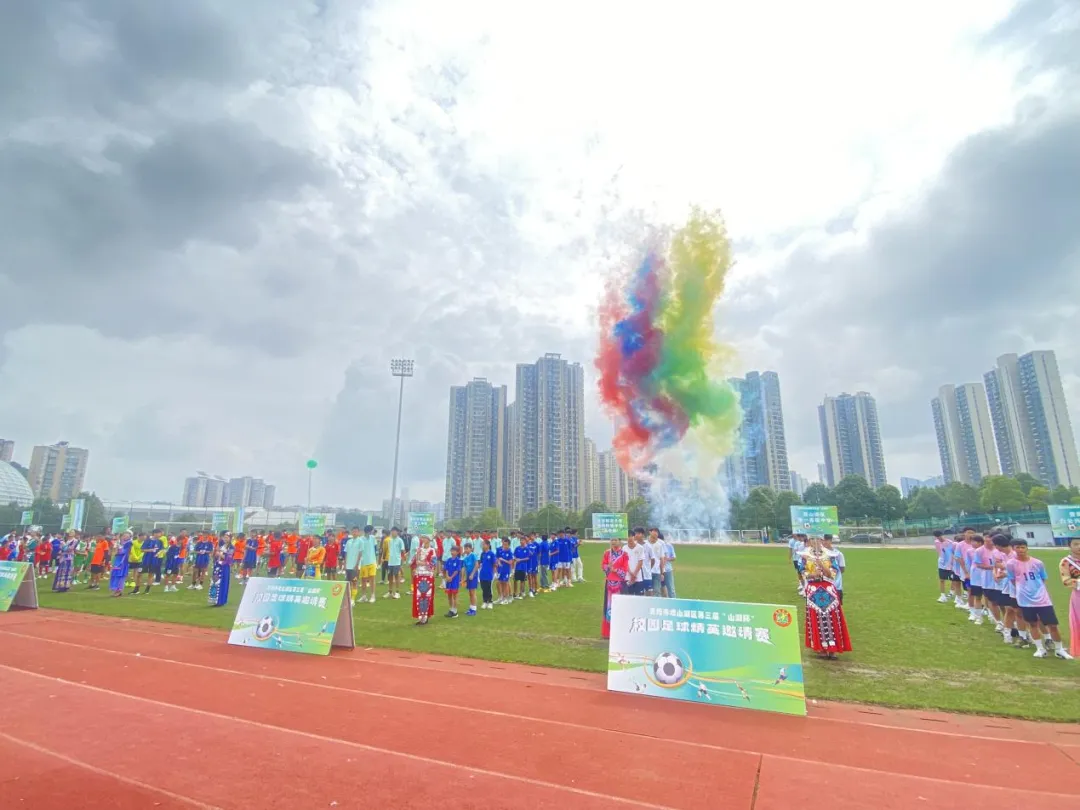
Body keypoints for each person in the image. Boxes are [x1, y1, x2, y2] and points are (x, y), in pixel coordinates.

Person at [1006, 538, 1072, 659]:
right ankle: (1040, 649)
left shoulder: (1037, 563)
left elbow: (1043, 578)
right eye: (1017, 548)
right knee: (1033, 624)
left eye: (1023, 547)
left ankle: (1059, 649)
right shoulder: (1011, 564)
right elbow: (1013, 580)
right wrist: (1024, 590)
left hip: (1042, 599)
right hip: (1025, 600)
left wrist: (1037, 590)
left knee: (1052, 625)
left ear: (1027, 548)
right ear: (1013, 549)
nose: (1020, 550)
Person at [800, 538, 852, 659]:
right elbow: (803, 573)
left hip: (828, 589)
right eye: (813, 539)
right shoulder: (804, 556)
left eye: (818, 539)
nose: (816, 541)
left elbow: (833, 574)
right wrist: (813, 574)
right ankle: (821, 648)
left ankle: (833, 649)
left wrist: (822, 566)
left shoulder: (831, 555)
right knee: (816, 619)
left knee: (831, 619)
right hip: (813, 589)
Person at [601, 537, 629, 639]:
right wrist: (608, 567)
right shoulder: (607, 553)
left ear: (619, 541)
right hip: (609, 582)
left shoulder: (624, 554)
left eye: (615, 540)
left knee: (619, 606)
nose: (613, 542)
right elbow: (603, 565)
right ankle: (608, 632)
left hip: (619, 583)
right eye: (612, 540)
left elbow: (625, 569)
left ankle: (619, 630)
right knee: (608, 605)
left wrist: (616, 570)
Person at [1060, 537, 1080, 658]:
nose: (1078, 546)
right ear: (1070, 546)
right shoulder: (1066, 562)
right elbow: (1066, 581)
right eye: (1076, 544)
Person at [411, 535, 437, 625]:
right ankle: (421, 616)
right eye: (422, 538)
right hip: (419, 574)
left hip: (427, 575)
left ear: (429, 539)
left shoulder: (432, 550)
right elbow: (413, 561)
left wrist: (422, 563)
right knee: (419, 596)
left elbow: (433, 563)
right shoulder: (419, 550)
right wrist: (414, 565)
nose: (422, 539)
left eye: (424, 538)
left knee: (426, 595)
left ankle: (425, 617)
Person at [821, 534, 846, 604]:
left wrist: (832, 572)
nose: (824, 542)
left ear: (831, 540)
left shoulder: (838, 554)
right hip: (823, 586)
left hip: (836, 586)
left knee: (837, 608)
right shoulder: (819, 554)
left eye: (826, 540)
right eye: (822, 540)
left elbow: (842, 569)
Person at [207, 540, 232, 607]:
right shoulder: (221, 546)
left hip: (224, 567)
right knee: (215, 582)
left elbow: (229, 559)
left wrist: (220, 554)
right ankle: (214, 599)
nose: (225, 538)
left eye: (227, 537)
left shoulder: (231, 547)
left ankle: (221, 600)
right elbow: (215, 556)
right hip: (217, 566)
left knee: (222, 582)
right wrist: (216, 554)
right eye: (224, 537)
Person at [109, 532, 134, 597]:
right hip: (117, 560)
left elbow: (129, 552)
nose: (125, 537)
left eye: (127, 536)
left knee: (121, 575)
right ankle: (115, 589)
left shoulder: (129, 544)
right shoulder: (118, 543)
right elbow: (114, 551)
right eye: (124, 536)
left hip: (123, 561)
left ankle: (119, 590)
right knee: (115, 575)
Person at [934, 530, 955, 603]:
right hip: (941, 564)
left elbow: (952, 552)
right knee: (942, 579)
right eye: (938, 537)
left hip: (950, 563)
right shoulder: (936, 542)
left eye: (940, 536)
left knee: (954, 579)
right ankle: (942, 595)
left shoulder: (950, 542)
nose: (940, 538)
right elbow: (940, 552)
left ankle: (952, 592)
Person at [443, 544, 463, 618]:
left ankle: (455, 611)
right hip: (449, 580)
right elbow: (446, 569)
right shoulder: (449, 560)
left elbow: (457, 571)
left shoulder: (459, 561)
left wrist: (451, 577)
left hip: (454, 580)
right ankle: (451, 609)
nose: (452, 552)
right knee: (449, 595)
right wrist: (447, 576)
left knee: (455, 595)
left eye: (454, 551)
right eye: (451, 550)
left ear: (457, 552)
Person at [384, 528, 405, 599]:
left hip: (397, 561)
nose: (392, 533)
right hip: (390, 562)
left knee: (396, 577)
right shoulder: (390, 540)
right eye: (392, 532)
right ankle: (390, 592)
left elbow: (402, 550)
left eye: (394, 532)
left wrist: (403, 559)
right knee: (389, 577)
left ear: (397, 532)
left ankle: (397, 592)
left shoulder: (400, 540)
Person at [478, 538, 496, 610]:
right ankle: (485, 601)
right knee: (483, 588)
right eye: (482, 544)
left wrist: (494, 573)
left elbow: (494, 564)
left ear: (488, 545)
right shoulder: (482, 554)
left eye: (484, 544)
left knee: (488, 588)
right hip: (482, 574)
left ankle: (490, 602)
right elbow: (480, 563)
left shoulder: (491, 554)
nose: (482, 546)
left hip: (489, 574)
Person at [495, 537, 514, 605]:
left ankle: (506, 598)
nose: (504, 546)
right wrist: (499, 562)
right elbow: (498, 559)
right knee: (500, 582)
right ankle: (501, 597)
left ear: (508, 545)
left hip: (506, 570)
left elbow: (510, 562)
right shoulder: (502, 551)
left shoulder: (510, 552)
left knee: (505, 583)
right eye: (503, 544)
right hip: (501, 570)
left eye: (506, 545)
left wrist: (502, 560)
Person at [658, 530, 677, 598]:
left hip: (667, 570)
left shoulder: (669, 546)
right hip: (657, 571)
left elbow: (674, 558)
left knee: (671, 589)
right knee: (660, 589)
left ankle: (674, 604)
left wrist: (666, 559)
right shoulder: (654, 546)